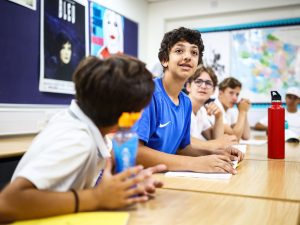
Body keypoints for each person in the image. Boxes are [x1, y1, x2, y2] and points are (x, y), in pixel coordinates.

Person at [0, 55, 166, 223]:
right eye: (139, 111)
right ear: (125, 116)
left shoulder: (77, 122)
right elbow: (6, 204)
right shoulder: (78, 141)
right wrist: (97, 197)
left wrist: (121, 185)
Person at [133, 27, 243, 174]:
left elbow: (182, 147)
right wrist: (195, 163)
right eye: (179, 51)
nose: (187, 57)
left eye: (194, 52)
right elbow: (135, 152)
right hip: (134, 181)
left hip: (162, 178)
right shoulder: (148, 93)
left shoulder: (185, 102)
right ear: (165, 60)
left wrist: (215, 156)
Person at [185, 66, 238, 151]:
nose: (203, 86)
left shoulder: (201, 110)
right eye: (198, 81)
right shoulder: (181, 107)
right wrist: (218, 143)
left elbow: (214, 138)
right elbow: (181, 142)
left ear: (213, 91)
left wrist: (219, 116)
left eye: (208, 83)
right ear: (188, 86)